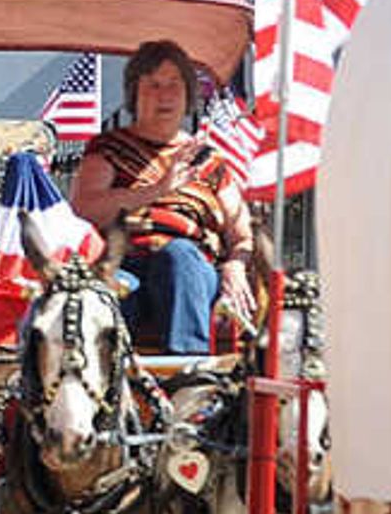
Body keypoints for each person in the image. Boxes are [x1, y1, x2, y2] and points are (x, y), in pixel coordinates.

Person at [70, 39, 257, 354]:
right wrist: (157, 190)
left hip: (191, 271)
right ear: (134, 93)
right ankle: (108, 380)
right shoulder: (108, 149)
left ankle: (190, 374)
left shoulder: (208, 161)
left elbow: (241, 235)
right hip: (124, 263)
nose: (165, 95)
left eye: (174, 84)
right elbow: (85, 209)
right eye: (153, 85)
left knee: (178, 255)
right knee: (106, 287)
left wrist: (235, 266)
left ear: (188, 95)